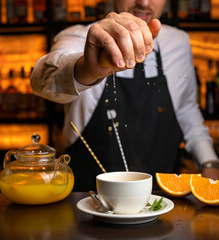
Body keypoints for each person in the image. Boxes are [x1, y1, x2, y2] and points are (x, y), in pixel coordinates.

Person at [31, 0, 219, 191]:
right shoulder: (81, 37)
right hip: (88, 199)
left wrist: (208, 162)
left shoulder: (178, 43)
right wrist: (87, 69)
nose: (144, 2)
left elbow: (187, 110)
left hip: (162, 199)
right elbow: (41, 81)